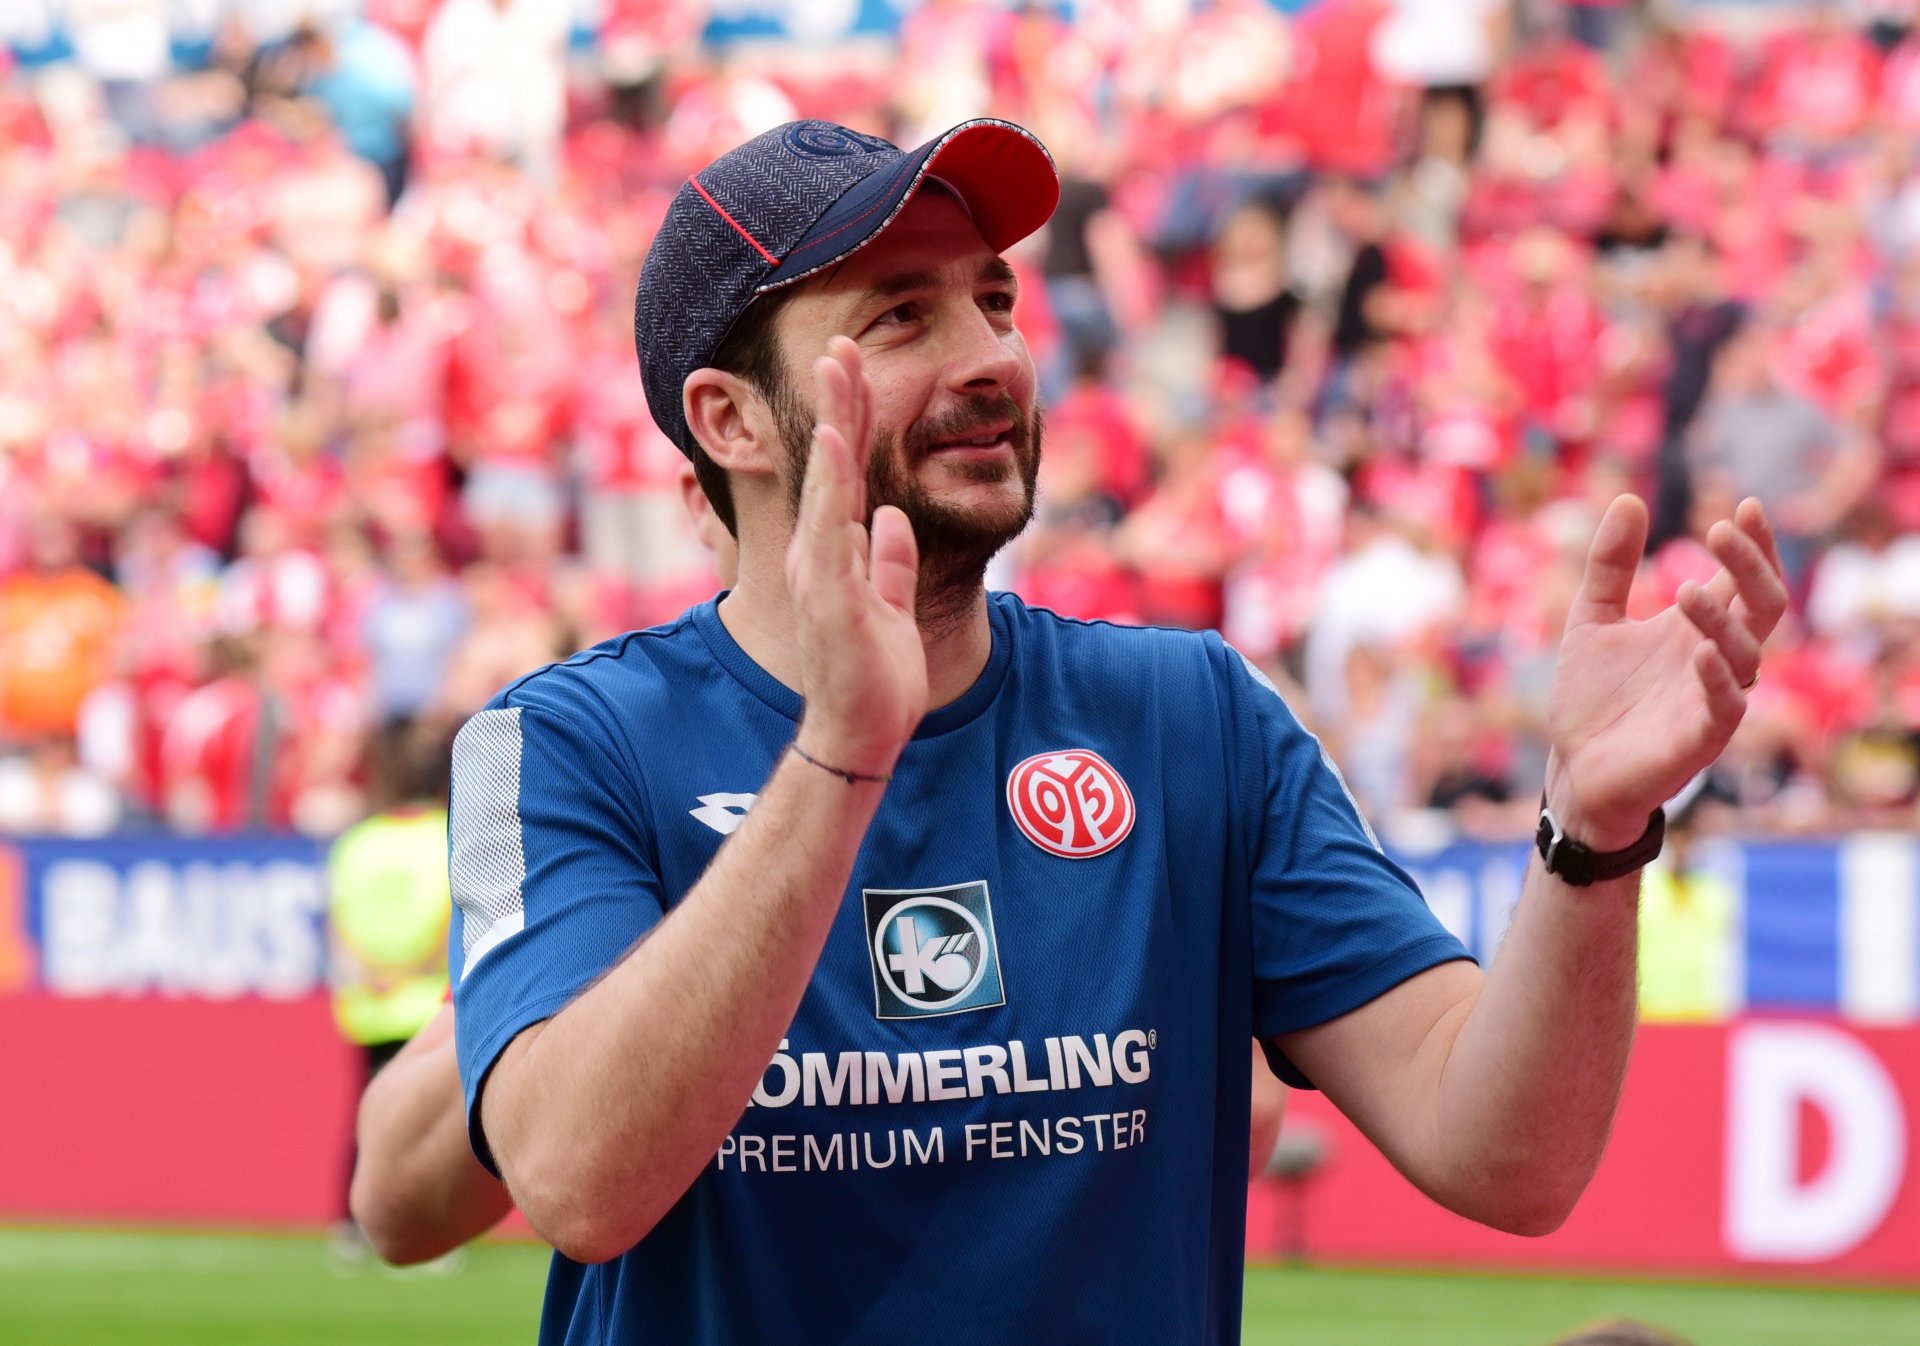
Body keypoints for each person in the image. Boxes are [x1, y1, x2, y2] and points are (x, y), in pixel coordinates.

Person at [446, 119, 1786, 1344]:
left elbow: (1507, 1154)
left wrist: (1591, 834)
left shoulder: (1192, 714)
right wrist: (843, 754)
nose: (990, 357)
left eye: (995, 300)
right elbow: (577, 1176)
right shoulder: (566, 743)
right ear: (729, 420)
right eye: (902, 316)